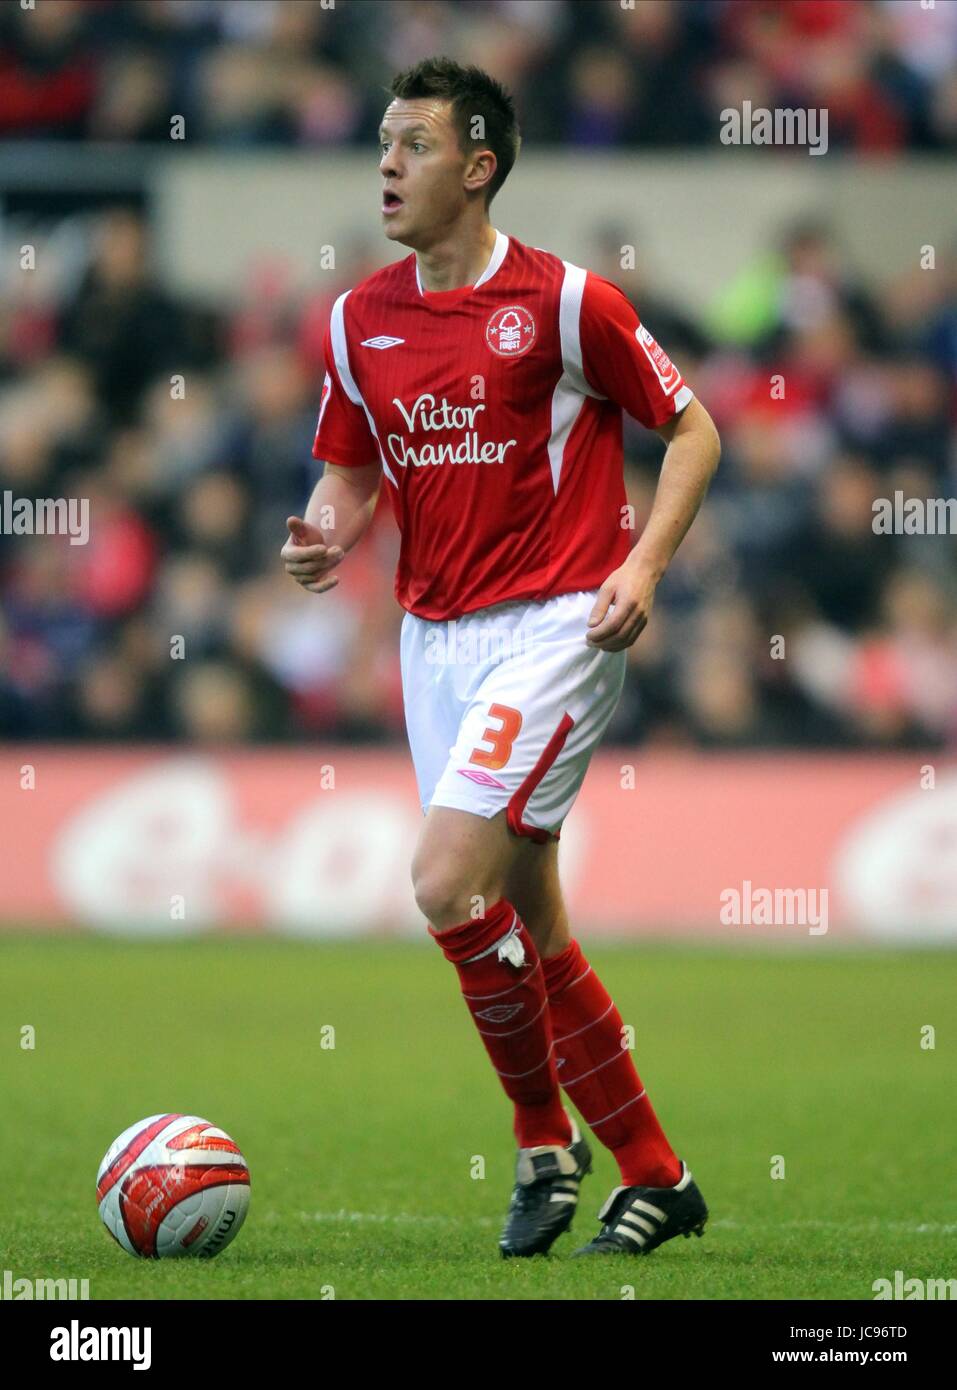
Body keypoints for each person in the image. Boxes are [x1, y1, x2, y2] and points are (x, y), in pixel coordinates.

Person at [281, 57, 720, 1259]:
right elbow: (352, 466)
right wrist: (326, 536)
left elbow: (695, 429)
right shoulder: (355, 318)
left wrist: (642, 570)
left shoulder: (569, 304)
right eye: (381, 140)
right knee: (533, 916)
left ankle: (541, 1140)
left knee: (442, 885)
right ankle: (657, 1172)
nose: (385, 162)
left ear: (477, 167)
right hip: (435, 642)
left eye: (413, 144)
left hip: (558, 625)